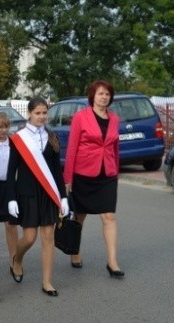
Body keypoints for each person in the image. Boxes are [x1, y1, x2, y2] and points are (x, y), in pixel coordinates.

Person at [6, 97, 69, 297]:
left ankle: (47, 282)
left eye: (44, 113)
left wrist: (63, 197)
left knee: (48, 237)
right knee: (30, 237)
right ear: (29, 114)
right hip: (27, 193)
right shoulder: (18, 139)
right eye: (37, 113)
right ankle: (17, 259)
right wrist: (11, 198)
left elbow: (57, 171)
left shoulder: (53, 137)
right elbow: (11, 171)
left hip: (48, 193)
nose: (41, 117)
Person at [63, 80, 124, 278]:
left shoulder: (114, 119)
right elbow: (72, 148)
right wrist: (68, 178)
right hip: (83, 173)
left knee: (109, 216)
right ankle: (75, 251)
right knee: (80, 216)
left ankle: (112, 262)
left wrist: (116, 171)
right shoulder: (81, 117)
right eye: (100, 93)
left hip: (107, 174)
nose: (104, 97)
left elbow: (114, 147)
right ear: (93, 96)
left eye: (107, 94)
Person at [0, 112, 19, 270]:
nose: (3, 130)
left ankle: (13, 258)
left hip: (9, 186)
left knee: (11, 224)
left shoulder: (13, 142)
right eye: (0, 127)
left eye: (6, 126)